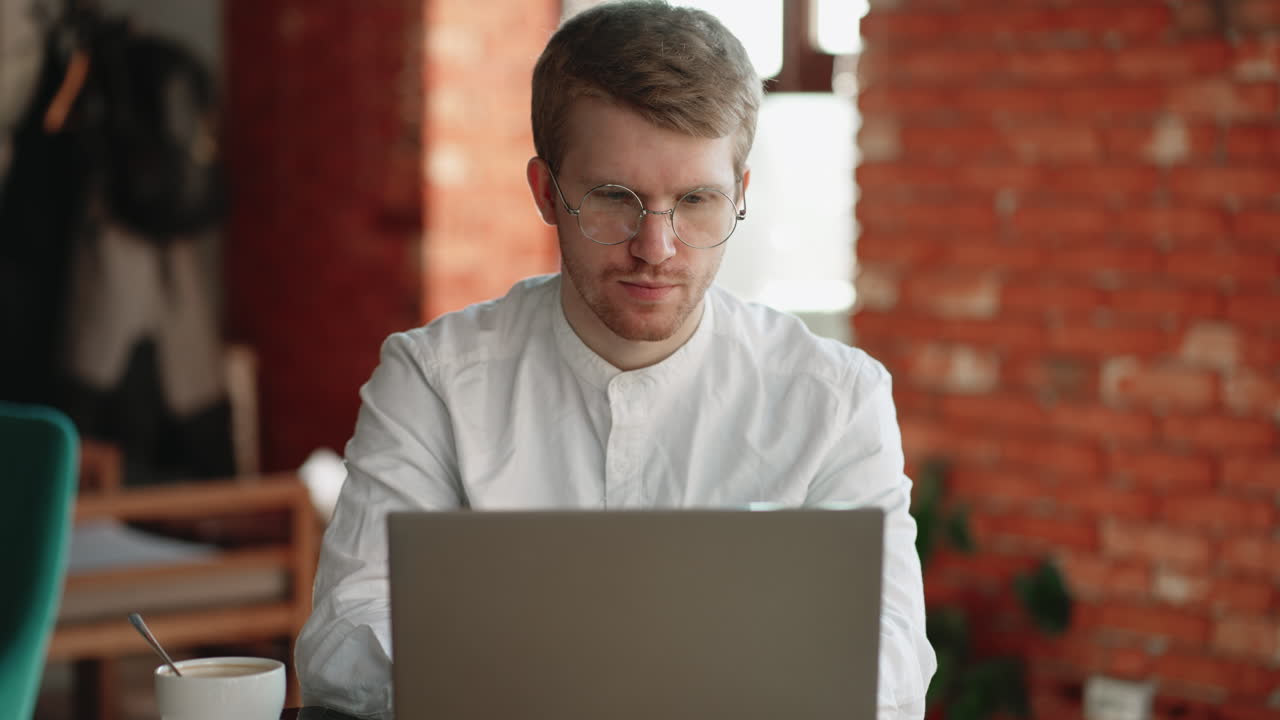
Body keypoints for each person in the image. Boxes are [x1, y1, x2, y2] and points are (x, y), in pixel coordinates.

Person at [296, 2, 936, 717]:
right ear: (547, 192)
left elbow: (893, 668)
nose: (655, 248)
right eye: (614, 198)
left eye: (696, 200)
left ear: (741, 196)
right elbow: (345, 642)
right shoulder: (434, 382)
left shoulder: (835, 399)